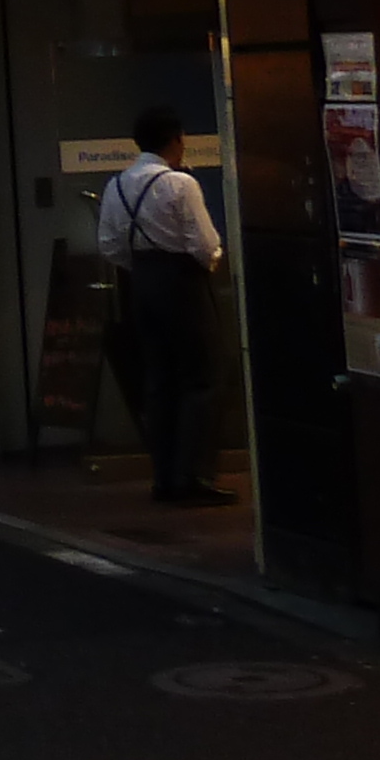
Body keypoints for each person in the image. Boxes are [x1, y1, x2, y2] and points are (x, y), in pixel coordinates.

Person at [99, 105, 231, 504]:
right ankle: (192, 476)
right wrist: (211, 263)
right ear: (175, 140)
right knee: (202, 378)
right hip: (182, 284)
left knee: (158, 381)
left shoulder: (117, 185)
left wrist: (139, 266)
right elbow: (204, 244)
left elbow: (109, 245)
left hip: (142, 283)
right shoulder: (179, 184)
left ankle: (163, 475)